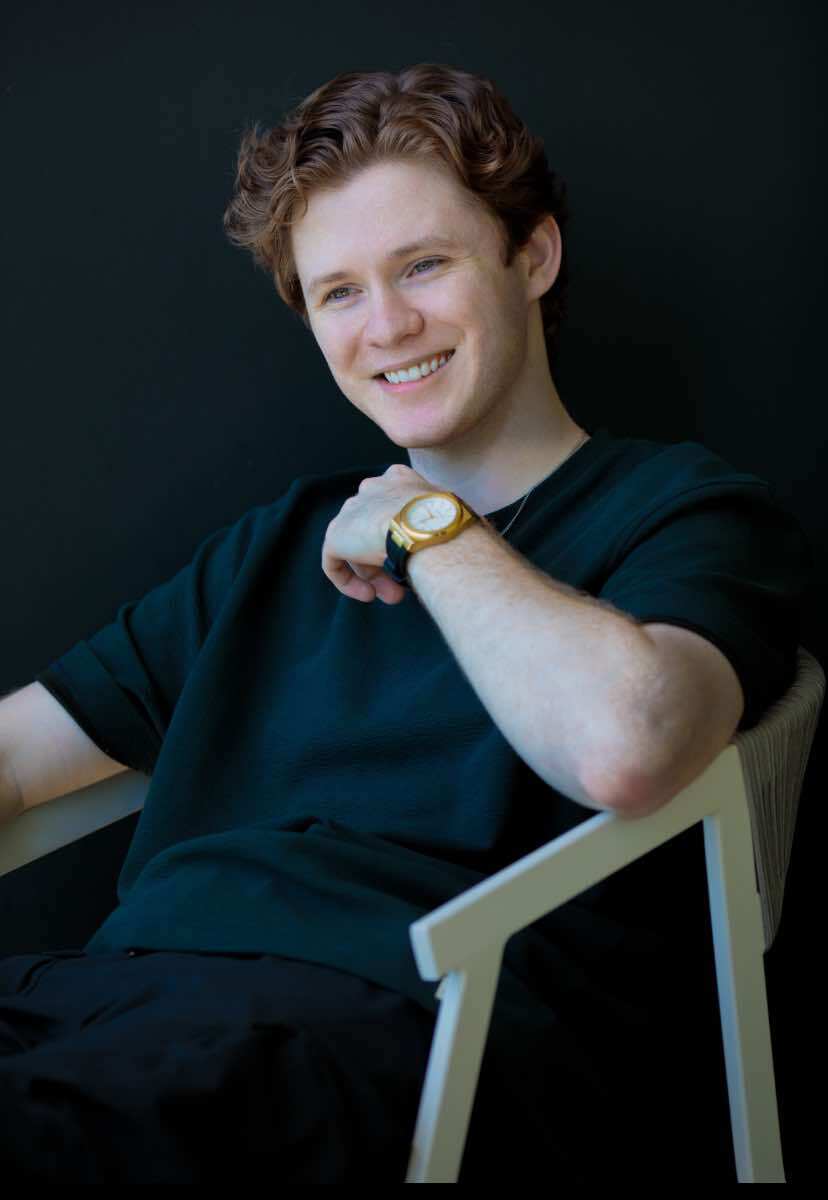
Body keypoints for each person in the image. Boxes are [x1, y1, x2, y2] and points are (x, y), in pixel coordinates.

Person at [0, 62, 812, 1183]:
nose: (386, 326)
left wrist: (431, 528)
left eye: (424, 265)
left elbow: (629, 748)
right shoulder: (278, 546)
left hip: (377, 1028)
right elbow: (16, 755)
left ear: (533, 255)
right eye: (338, 292)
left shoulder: (686, 513)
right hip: (108, 1001)